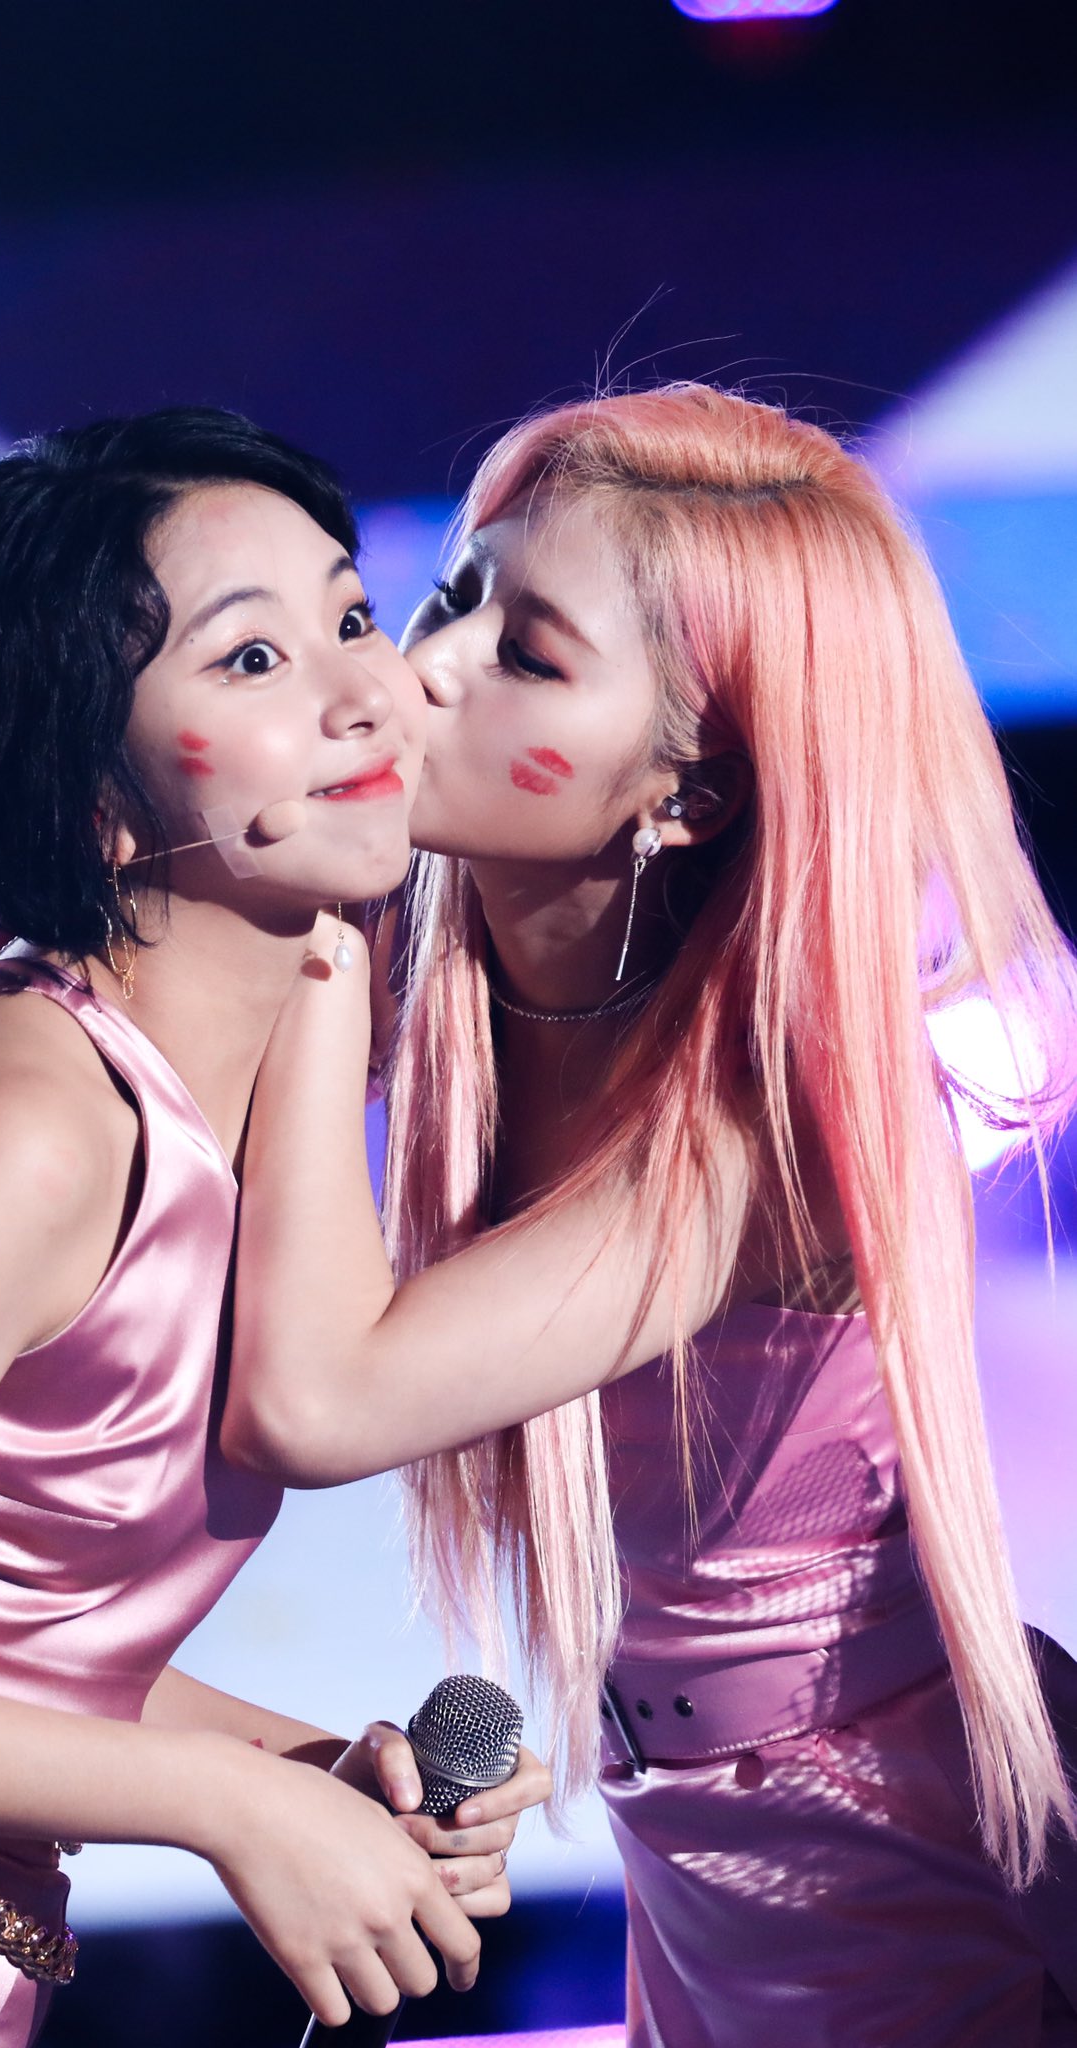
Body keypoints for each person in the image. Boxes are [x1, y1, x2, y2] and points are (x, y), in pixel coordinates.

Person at [225, 385, 1077, 2043]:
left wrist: (319, 923)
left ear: (689, 792)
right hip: (697, 1840)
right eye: (453, 596)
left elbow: (313, 1404)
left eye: (529, 656)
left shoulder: (765, 1124)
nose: (428, 667)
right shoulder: (450, 979)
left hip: (874, 1854)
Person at [0, 407, 548, 2048]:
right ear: (93, 795)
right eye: (252, 659)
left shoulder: (207, 1102)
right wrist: (229, 1808)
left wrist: (303, 1775)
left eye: (353, 616)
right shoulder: (29, 1118)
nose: (365, 690)